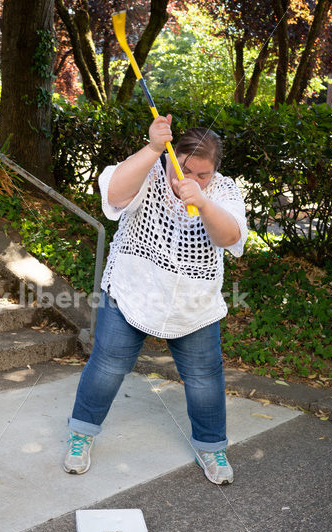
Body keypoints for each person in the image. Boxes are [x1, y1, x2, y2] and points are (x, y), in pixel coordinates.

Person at [63, 114, 248, 485]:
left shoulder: (223, 191)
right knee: (108, 365)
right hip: (133, 289)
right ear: (170, 157)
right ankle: (81, 433)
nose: (192, 179)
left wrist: (205, 202)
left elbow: (230, 238)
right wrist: (151, 147)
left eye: (203, 175)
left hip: (194, 303)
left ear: (215, 173)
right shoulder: (150, 170)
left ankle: (210, 447)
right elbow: (114, 196)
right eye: (185, 169)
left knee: (204, 377)